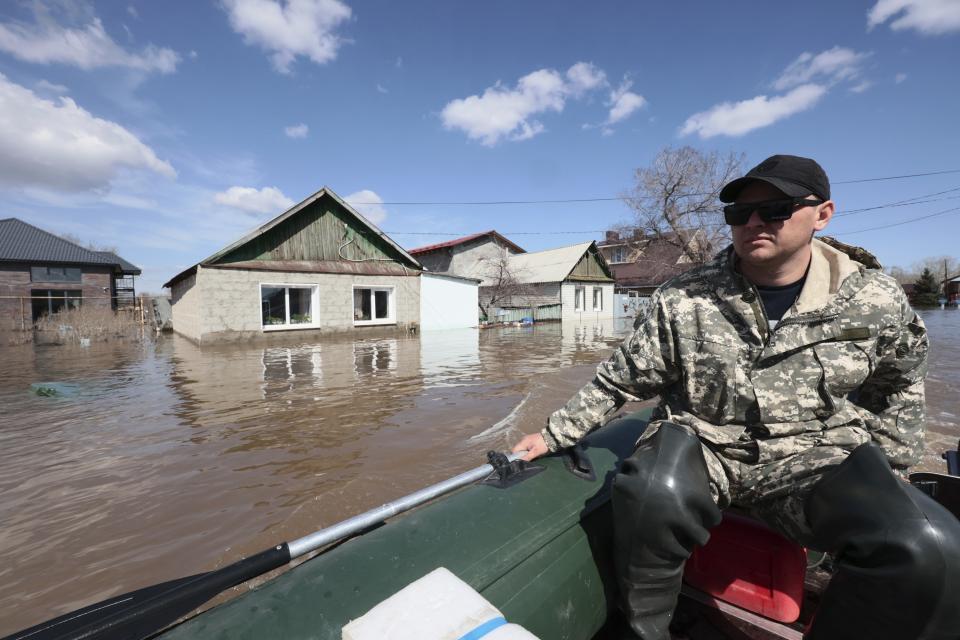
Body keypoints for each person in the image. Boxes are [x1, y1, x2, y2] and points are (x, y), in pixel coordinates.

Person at [513, 155, 960, 640]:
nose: (752, 223)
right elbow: (622, 379)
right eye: (738, 214)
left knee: (930, 545)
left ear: (823, 213)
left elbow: (898, 382)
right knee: (648, 494)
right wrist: (556, 433)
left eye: (774, 209)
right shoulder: (686, 296)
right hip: (704, 443)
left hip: (816, 454)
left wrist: (888, 471)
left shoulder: (874, 298)